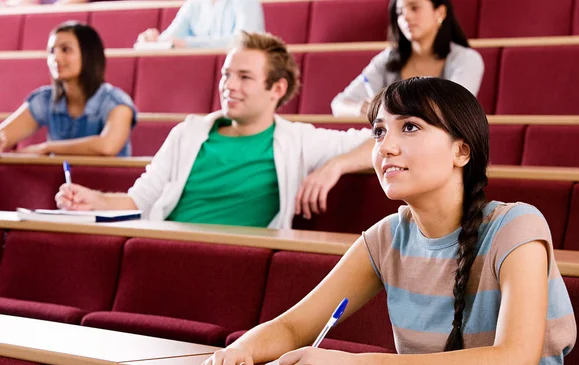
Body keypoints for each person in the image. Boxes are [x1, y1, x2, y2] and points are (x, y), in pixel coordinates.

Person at [194, 77, 576, 365]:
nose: (385, 147)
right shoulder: (386, 237)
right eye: (379, 131)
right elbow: (295, 326)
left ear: (461, 151)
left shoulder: (517, 226)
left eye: (409, 126)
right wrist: (241, 348)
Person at [54, 31, 373, 228]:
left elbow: (383, 139)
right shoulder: (188, 132)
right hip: (164, 247)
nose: (229, 86)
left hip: (238, 262)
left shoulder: (299, 140)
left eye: (244, 78)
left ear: (277, 88)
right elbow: (141, 200)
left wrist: (336, 165)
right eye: (225, 75)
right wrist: (93, 199)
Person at [0, 21, 136, 157]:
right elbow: (4, 135)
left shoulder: (116, 101)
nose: (55, 58)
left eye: (65, 49)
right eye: (52, 51)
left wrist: (47, 147)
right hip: (59, 178)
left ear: (88, 55)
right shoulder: (45, 99)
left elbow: (107, 146)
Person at [331, 0, 484, 118]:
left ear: (440, 13)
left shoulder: (466, 59)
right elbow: (338, 105)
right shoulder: (388, 58)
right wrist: (363, 108)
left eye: (414, 8)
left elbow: (455, 109)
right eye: (399, 13)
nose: (406, 17)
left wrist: (389, 108)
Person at [136, 0, 265, 49]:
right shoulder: (194, 4)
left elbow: (244, 41)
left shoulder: (247, 2)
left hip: (243, 71)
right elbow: (170, 38)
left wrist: (187, 44)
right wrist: (152, 40)